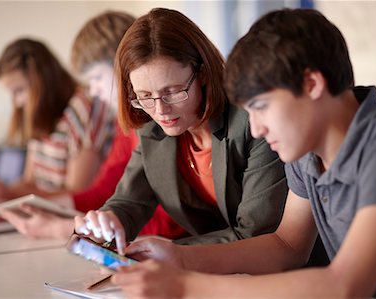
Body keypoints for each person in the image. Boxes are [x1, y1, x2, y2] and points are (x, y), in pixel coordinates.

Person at [104, 8, 376, 299]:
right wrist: (181, 258)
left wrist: (187, 286)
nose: (255, 130)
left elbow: (345, 285)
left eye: (261, 107)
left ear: (311, 84)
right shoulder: (306, 154)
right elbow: (286, 246)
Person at [74, 8, 288, 251]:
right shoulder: (151, 126)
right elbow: (129, 201)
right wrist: (109, 222)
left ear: (204, 74)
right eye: (144, 96)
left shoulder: (251, 122)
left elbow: (254, 232)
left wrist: (171, 252)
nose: (160, 110)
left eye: (173, 92)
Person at [0, 11, 187, 240]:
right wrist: (22, 207)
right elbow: (102, 193)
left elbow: (168, 221)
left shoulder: (166, 123)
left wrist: (61, 228)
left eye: (96, 78)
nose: (92, 90)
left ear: (124, 67)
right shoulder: (129, 128)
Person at [0, 38, 115, 221]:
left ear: (42, 82)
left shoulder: (83, 108)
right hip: (43, 218)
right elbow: (30, 181)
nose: (17, 102)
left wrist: (11, 198)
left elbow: (79, 193)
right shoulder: (39, 117)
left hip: (74, 221)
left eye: (20, 90)